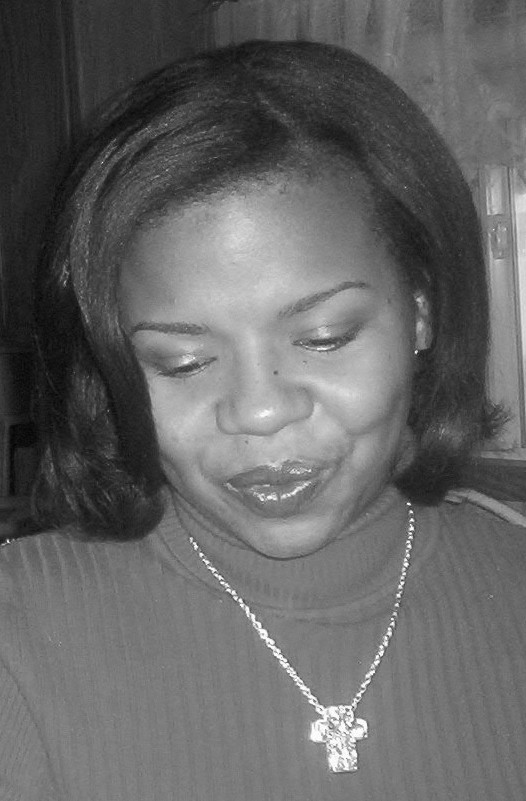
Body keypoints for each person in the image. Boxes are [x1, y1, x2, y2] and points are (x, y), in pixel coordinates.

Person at [1, 39, 525, 801]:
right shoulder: (19, 636)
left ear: (422, 310)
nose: (259, 409)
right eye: (182, 362)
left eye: (324, 337)